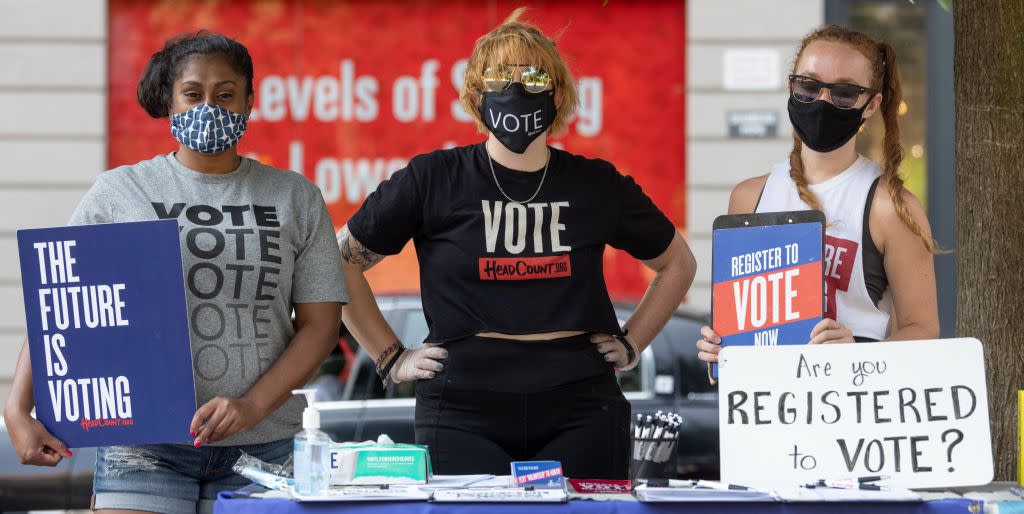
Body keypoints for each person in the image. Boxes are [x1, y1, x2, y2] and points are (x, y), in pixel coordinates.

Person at [337, 9, 696, 479]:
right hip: (463, 405)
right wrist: (391, 358)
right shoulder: (433, 179)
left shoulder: (596, 184)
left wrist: (633, 345)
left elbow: (678, 264)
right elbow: (336, 262)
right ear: (474, 94)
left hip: (581, 403)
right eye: (498, 76)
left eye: (532, 75)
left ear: (559, 92)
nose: (515, 88)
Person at [3, 31, 347, 514]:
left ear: (250, 101)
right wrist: (17, 409)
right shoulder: (119, 191)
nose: (210, 106)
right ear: (169, 101)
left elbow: (320, 325)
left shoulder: (295, 196)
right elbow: (61, 303)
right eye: (193, 93)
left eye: (226, 94)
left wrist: (250, 406)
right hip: (143, 443)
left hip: (266, 444)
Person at [696, 25, 939, 365]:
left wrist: (857, 352)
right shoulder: (748, 197)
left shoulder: (890, 207)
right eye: (808, 86)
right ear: (790, 87)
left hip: (854, 402)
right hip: (768, 407)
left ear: (871, 104)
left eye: (843, 93)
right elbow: (742, 325)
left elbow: (924, 331)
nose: (822, 101)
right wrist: (720, 352)